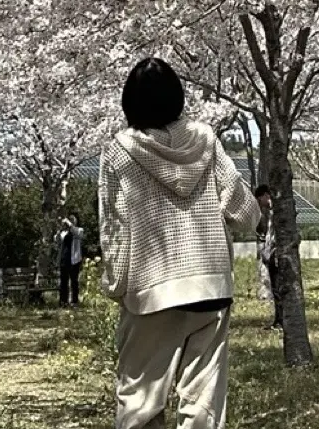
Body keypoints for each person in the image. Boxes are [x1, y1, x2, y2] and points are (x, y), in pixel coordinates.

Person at [99, 57, 261, 429]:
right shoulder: (206, 141)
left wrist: (117, 285)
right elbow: (244, 212)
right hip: (210, 287)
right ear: (177, 97)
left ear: (130, 102)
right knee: (203, 406)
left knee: (139, 402)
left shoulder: (120, 151)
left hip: (152, 292)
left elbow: (115, 228)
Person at [254, 185, 282, 331]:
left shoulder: (278, 211)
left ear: (265, 196)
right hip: (270, 253)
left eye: (260, 200)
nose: (261, 204)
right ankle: (278, 319)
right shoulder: (271, 212)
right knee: (275, 288)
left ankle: (281, 320)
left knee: (278, 288)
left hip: (276, 254)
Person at [55, 214, 84, 307]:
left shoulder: (79, 230)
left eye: (72, 220)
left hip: (74, 260)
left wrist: (70, 224)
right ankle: (63, 302)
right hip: (63, 259)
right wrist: (59, 230)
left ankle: (74, 302)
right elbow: (57, 240)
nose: (70, 222)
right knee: (63, 282)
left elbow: (78, 234)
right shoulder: (64, 232)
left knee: (74, 281)